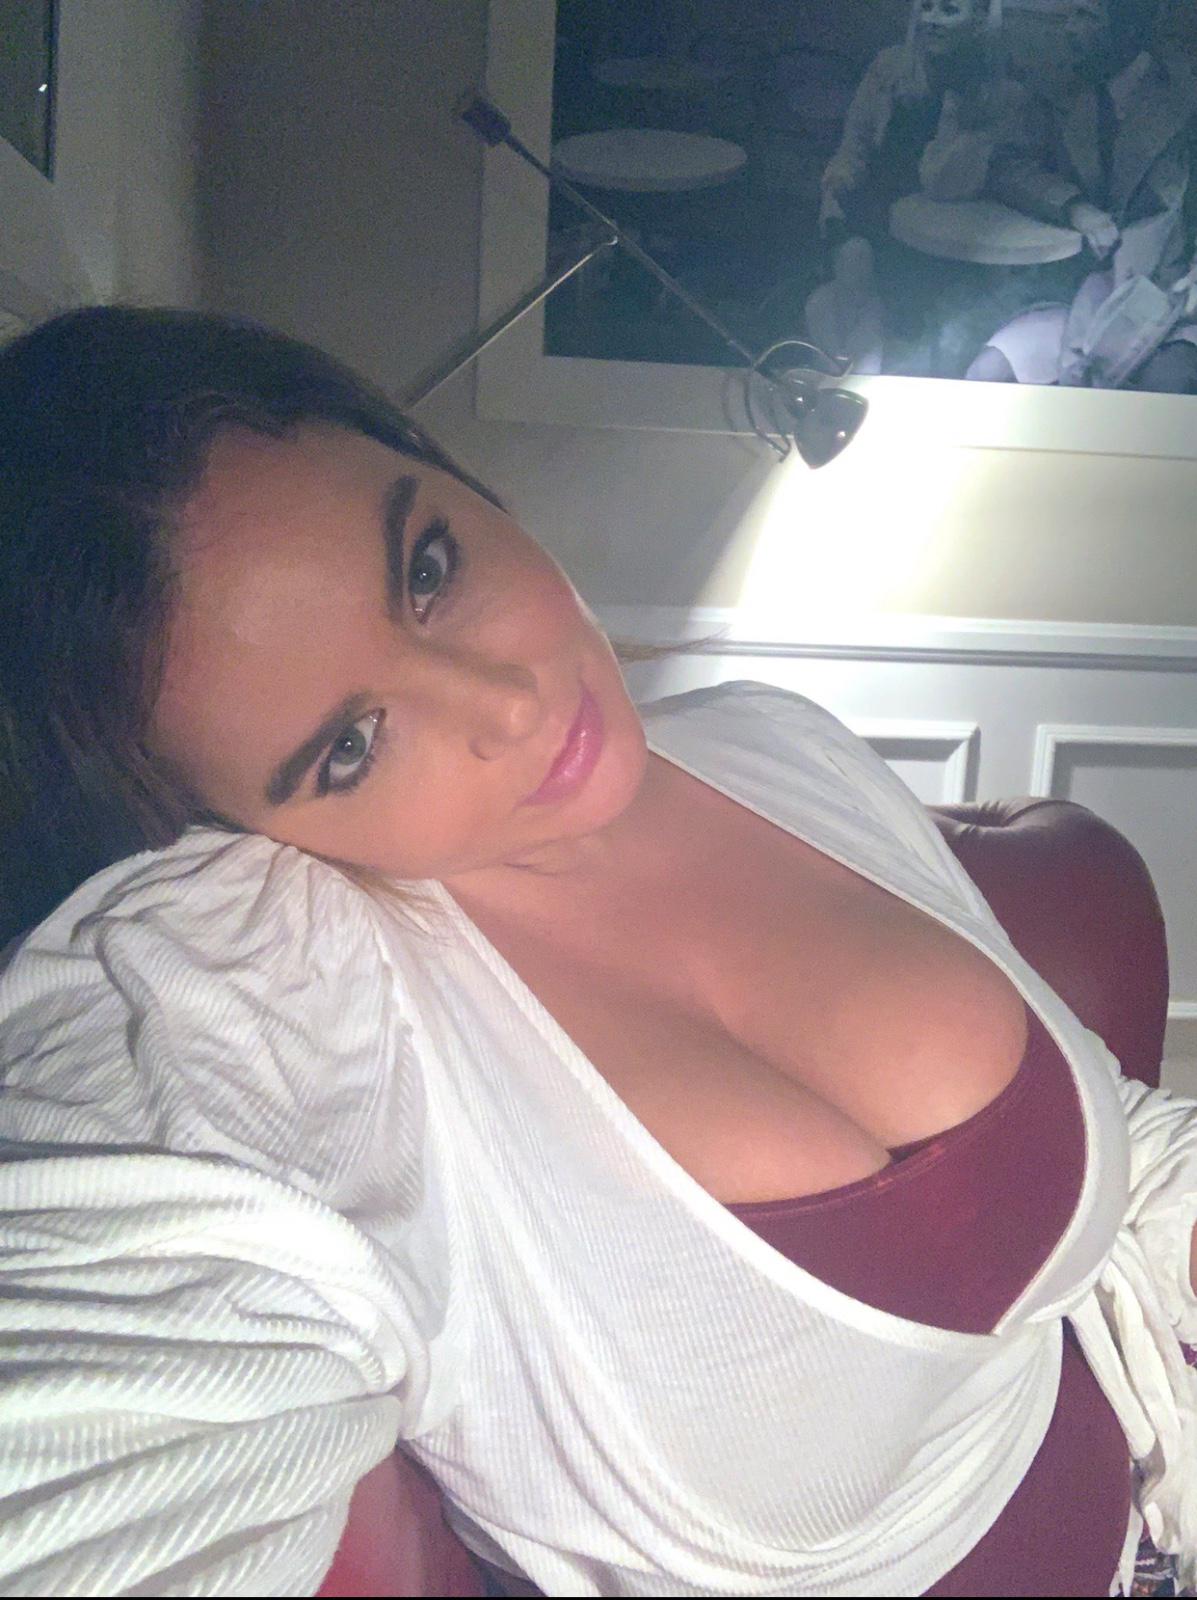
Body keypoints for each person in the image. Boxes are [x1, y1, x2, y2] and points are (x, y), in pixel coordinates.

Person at [1, 306, 1197, 1598]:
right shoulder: (263, 1003)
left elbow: (1106, 1137)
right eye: (348, 747)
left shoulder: (774, 741)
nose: (508, 704)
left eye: (428, 569)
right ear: (224, 835)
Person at [966, 0, 1197, 388]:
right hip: (1071, 297)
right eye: (1071, 14)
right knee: (986, 375)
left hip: (1167, 299)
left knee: (1167, 389)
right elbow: (1008, 165)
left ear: (1128, 27)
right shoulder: (1057, 89)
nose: (1070, 28)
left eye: (1087, 16)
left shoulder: (1185, 98)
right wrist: (1073, 206)